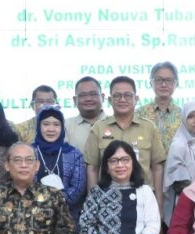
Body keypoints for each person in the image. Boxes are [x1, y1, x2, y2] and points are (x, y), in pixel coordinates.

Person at [85, 76, 167, 211]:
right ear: (110, 100)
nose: (122, 100)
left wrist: (159, 202)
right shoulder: (98, 129)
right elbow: (92, 169)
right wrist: (92, 202)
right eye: (117, 96)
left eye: (128, 95)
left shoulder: (149, 128)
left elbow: (157, 168)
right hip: (107, 199)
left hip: (143, 199)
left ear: (136, 99)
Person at [32, 107, 86, 223]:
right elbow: (22, 181)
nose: (51, 129)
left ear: (62, 128)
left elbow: (77, 188)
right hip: (32, 216)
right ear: (38, 127)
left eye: (56, 124)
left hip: (67, 218)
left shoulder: (74, 154)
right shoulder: (29, 152)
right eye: (46, 124)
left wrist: (53, 203)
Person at [137, 62, 183, 152]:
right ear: (151, 83)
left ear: (176, 84)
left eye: (169, 80)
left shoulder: (183, 115)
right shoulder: (139, 114)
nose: (164, 85)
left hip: (176, 165)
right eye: (159, 80)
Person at [64, 76, 108, 152]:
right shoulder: (65, 126)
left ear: (103, 97)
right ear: (75, 100)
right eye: (83, 95)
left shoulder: (114, 123)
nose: (88, 99)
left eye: (93, 94)